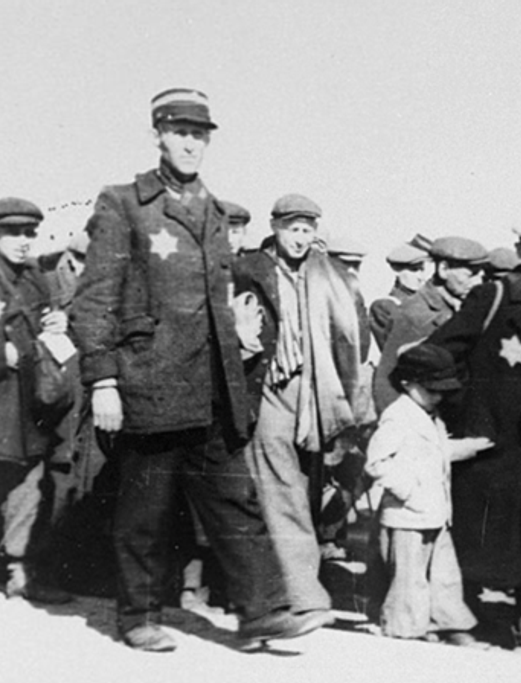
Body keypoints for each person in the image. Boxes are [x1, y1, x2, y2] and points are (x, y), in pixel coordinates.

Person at [69, 88, 330, 650]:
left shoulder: (212, 210)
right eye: (179, 132)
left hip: (212, 387)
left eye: (199, 134)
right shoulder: (123, 203)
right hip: (149, 382)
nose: (190, 143)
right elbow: (92, 301)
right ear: (157, 135)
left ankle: (263, 612)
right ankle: (137, 616)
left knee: (234, 499)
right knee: (145, 508)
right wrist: (104, 381)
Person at [429, 224, 521, 649]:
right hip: (490, 436)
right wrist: (465, 408)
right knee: (480, 530)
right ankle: (461, 616)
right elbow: (442, 349)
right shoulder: (492, 296)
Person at [237, 193, 372, 618]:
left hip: (315, 394)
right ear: (275, 228)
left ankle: (272, 590)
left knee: (303, 489)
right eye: (292, 229)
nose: (299, 238)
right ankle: (303, 594)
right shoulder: (249, 269)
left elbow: (354, 335)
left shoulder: (328, 276)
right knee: (283, 490)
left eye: (307, 230)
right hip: (268, 386)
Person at [365, 342, 493, 642]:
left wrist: (468, 448)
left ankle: (450, 623)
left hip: (434, 512)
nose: (438, 396)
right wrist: (408, 490)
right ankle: (404, 627)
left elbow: (434, 452)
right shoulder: (398, 416)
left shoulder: (429, 416)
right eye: (431, 389)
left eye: (442, 391)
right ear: (408, 384)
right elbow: (376, 462)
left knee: (444, 574)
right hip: (407, 514)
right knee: (409, 576)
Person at [0, 197, 72, 603]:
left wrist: (59, 323)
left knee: (29, 480)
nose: (24, 241)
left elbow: (49, 330)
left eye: (29, 233)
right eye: (13, 233)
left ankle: (20, 570)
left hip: (26, 400)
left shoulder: (35, 277)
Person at [372, 236, 489, 415]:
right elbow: (387, 382)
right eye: (471, 274)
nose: (478, 282)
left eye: (481, 275)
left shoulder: (460, 308)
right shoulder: (416, 315)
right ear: (443, 269)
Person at [369, 242, 433, 350]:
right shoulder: (385, 306)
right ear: (396, 271)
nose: (421, 277)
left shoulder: (429, 302)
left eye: (422, 270)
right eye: (414, 270)